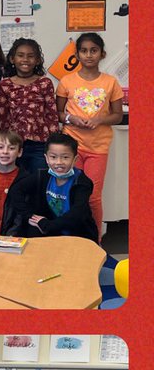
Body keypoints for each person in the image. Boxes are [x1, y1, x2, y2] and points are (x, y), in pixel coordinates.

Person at [58, 31, 123, 237]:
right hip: (72, 147)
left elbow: (118, 116)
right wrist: (72, 119)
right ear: (76, 55)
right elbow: (58, 114)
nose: (88, 55)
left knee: (93, 197)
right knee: (70, 192)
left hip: (98, 148)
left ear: (102, 54)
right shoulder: (66, 81)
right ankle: (70, 235)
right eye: (84, 51)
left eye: (93, 51)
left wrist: (99, 120)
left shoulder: (110, 82)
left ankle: (94, 239)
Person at [11, 131, 98, 241]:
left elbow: (77, 214)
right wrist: (30, 216)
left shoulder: (82, 182)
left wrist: (48, 225)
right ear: (46, 158)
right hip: (50, 233)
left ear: (75, 160)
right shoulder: (42, 176)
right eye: (53, 157)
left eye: (65, 157)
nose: (59, 162)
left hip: (77, 234)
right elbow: (16, 190)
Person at [0, 38, 59, 175]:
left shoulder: (44, 83)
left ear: (37, 60)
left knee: (39, 183)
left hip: (40, 144)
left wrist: (53, 144)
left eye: (30, 56)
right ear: (12, 59)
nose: (25, 59)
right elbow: (3, 117)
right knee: (15, 182)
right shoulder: (5, 85)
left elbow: (52, 115)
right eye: (20, 55)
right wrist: (2, 143)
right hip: (14, 143)